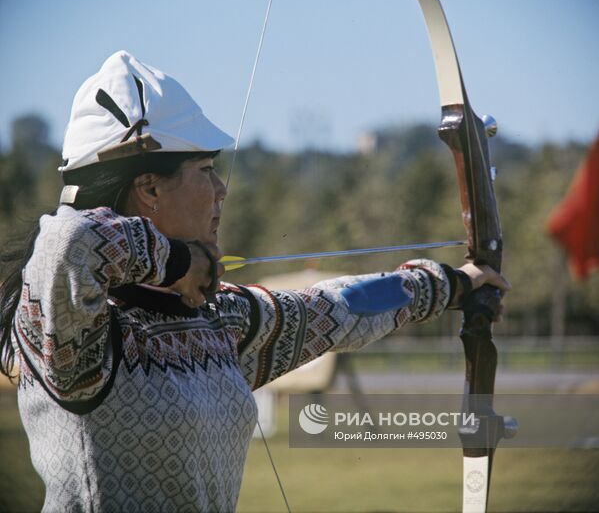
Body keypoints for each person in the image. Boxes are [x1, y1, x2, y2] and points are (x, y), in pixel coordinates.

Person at [0, 51, 510, 512]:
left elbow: (343, 308)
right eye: (205, 169)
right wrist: (178, 262)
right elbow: (68, 242)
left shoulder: (216, 318)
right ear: (149, 186)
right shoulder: (71, 336)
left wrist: (451, 284)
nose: (221, 189)